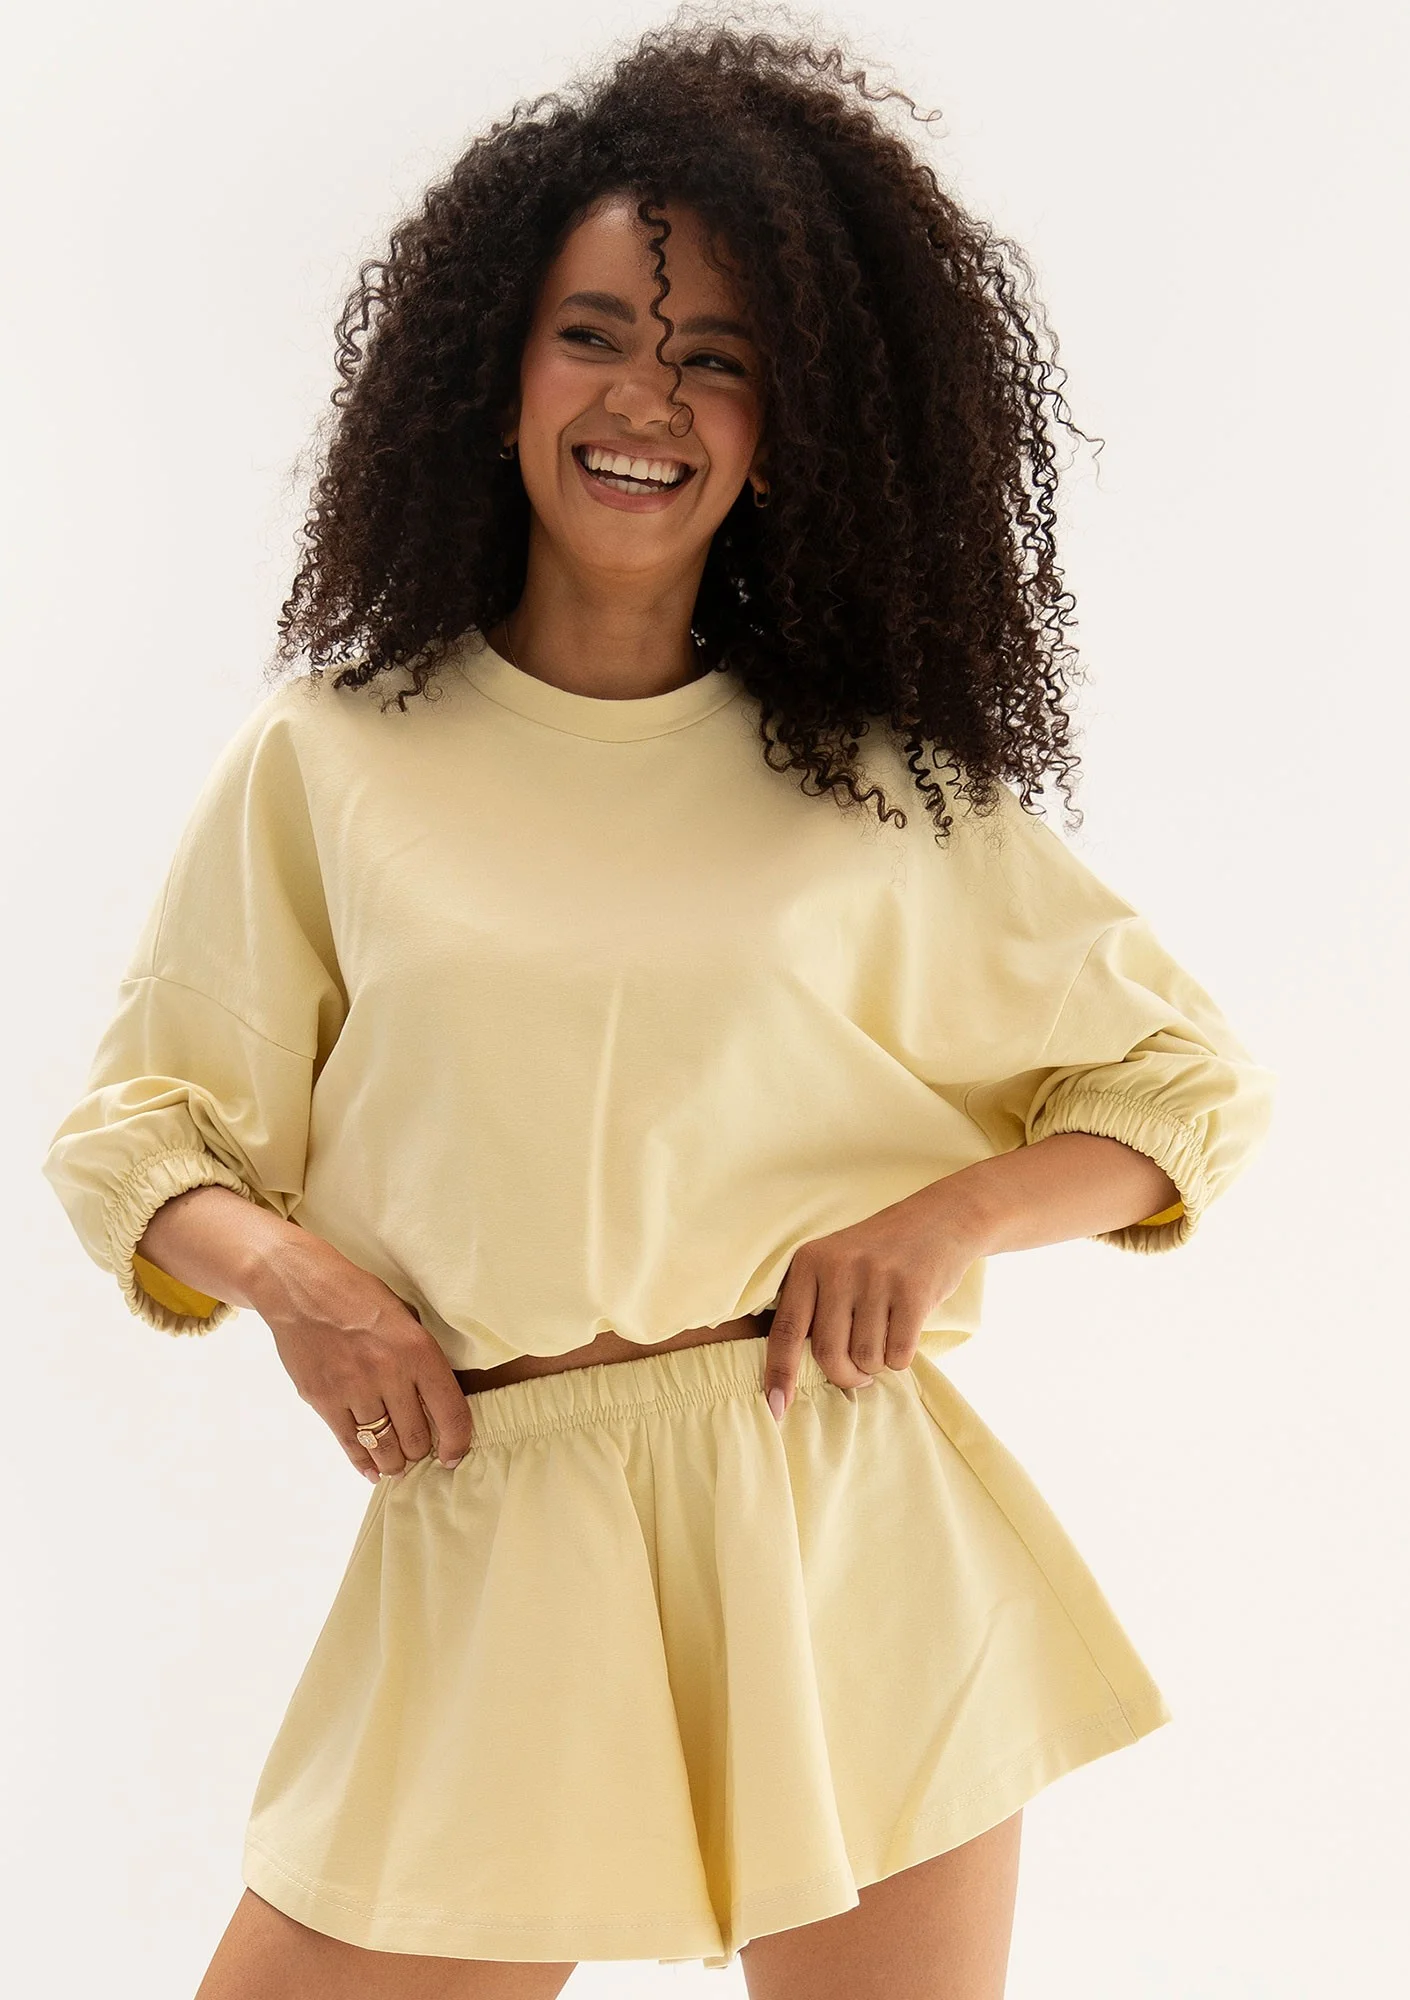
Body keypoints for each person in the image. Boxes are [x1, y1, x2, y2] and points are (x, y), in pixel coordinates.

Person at [40, 16, 1275, 2000]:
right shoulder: (331, 759)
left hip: (846, 1524)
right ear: (494, 372)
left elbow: (1180, 1085)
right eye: (595, 332)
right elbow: (138, 1134)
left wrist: (943, 1220)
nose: (647, 397)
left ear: (790, 421)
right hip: (501, 1519)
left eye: (716, 356)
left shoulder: (874, 784)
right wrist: (295, 1281)